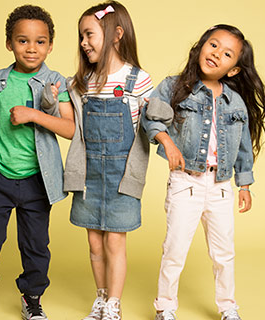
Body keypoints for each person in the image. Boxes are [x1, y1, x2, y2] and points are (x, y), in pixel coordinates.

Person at [142, 24, 265, 320]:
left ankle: (228, 307)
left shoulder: (236, 102)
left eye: (227, 54)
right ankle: (165, 307)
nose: (217, 54)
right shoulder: (174, 86)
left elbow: (244, 146)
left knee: (223, 253)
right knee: (175, 250)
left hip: (220, 186)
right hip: (185, 183)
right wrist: (167, 142)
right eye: (213, 45)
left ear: (233, 70)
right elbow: (151, 116)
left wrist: (244, 185)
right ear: (201, 47)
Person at [0, 5, 74, 320]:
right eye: (23, 41)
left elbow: (70, 129)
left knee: (36, 244)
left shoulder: (55, 81)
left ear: (50, 46)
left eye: (40, 41)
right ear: (9, 43)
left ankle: (32, 297)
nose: (32, 48)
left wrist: (35, 114)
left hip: (38, 177)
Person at [63, 1, 157, 319]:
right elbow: (66, 115)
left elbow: (153, 121)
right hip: (89, 172)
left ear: (116, 34)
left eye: (89, 34)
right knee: (94, 243)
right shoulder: (82, 83)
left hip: (121, 174)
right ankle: (101, 298)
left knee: (115, 241)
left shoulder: (138, 80)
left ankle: (114, 304)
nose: (83, 42)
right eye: (80, 36)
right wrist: (50, 97)